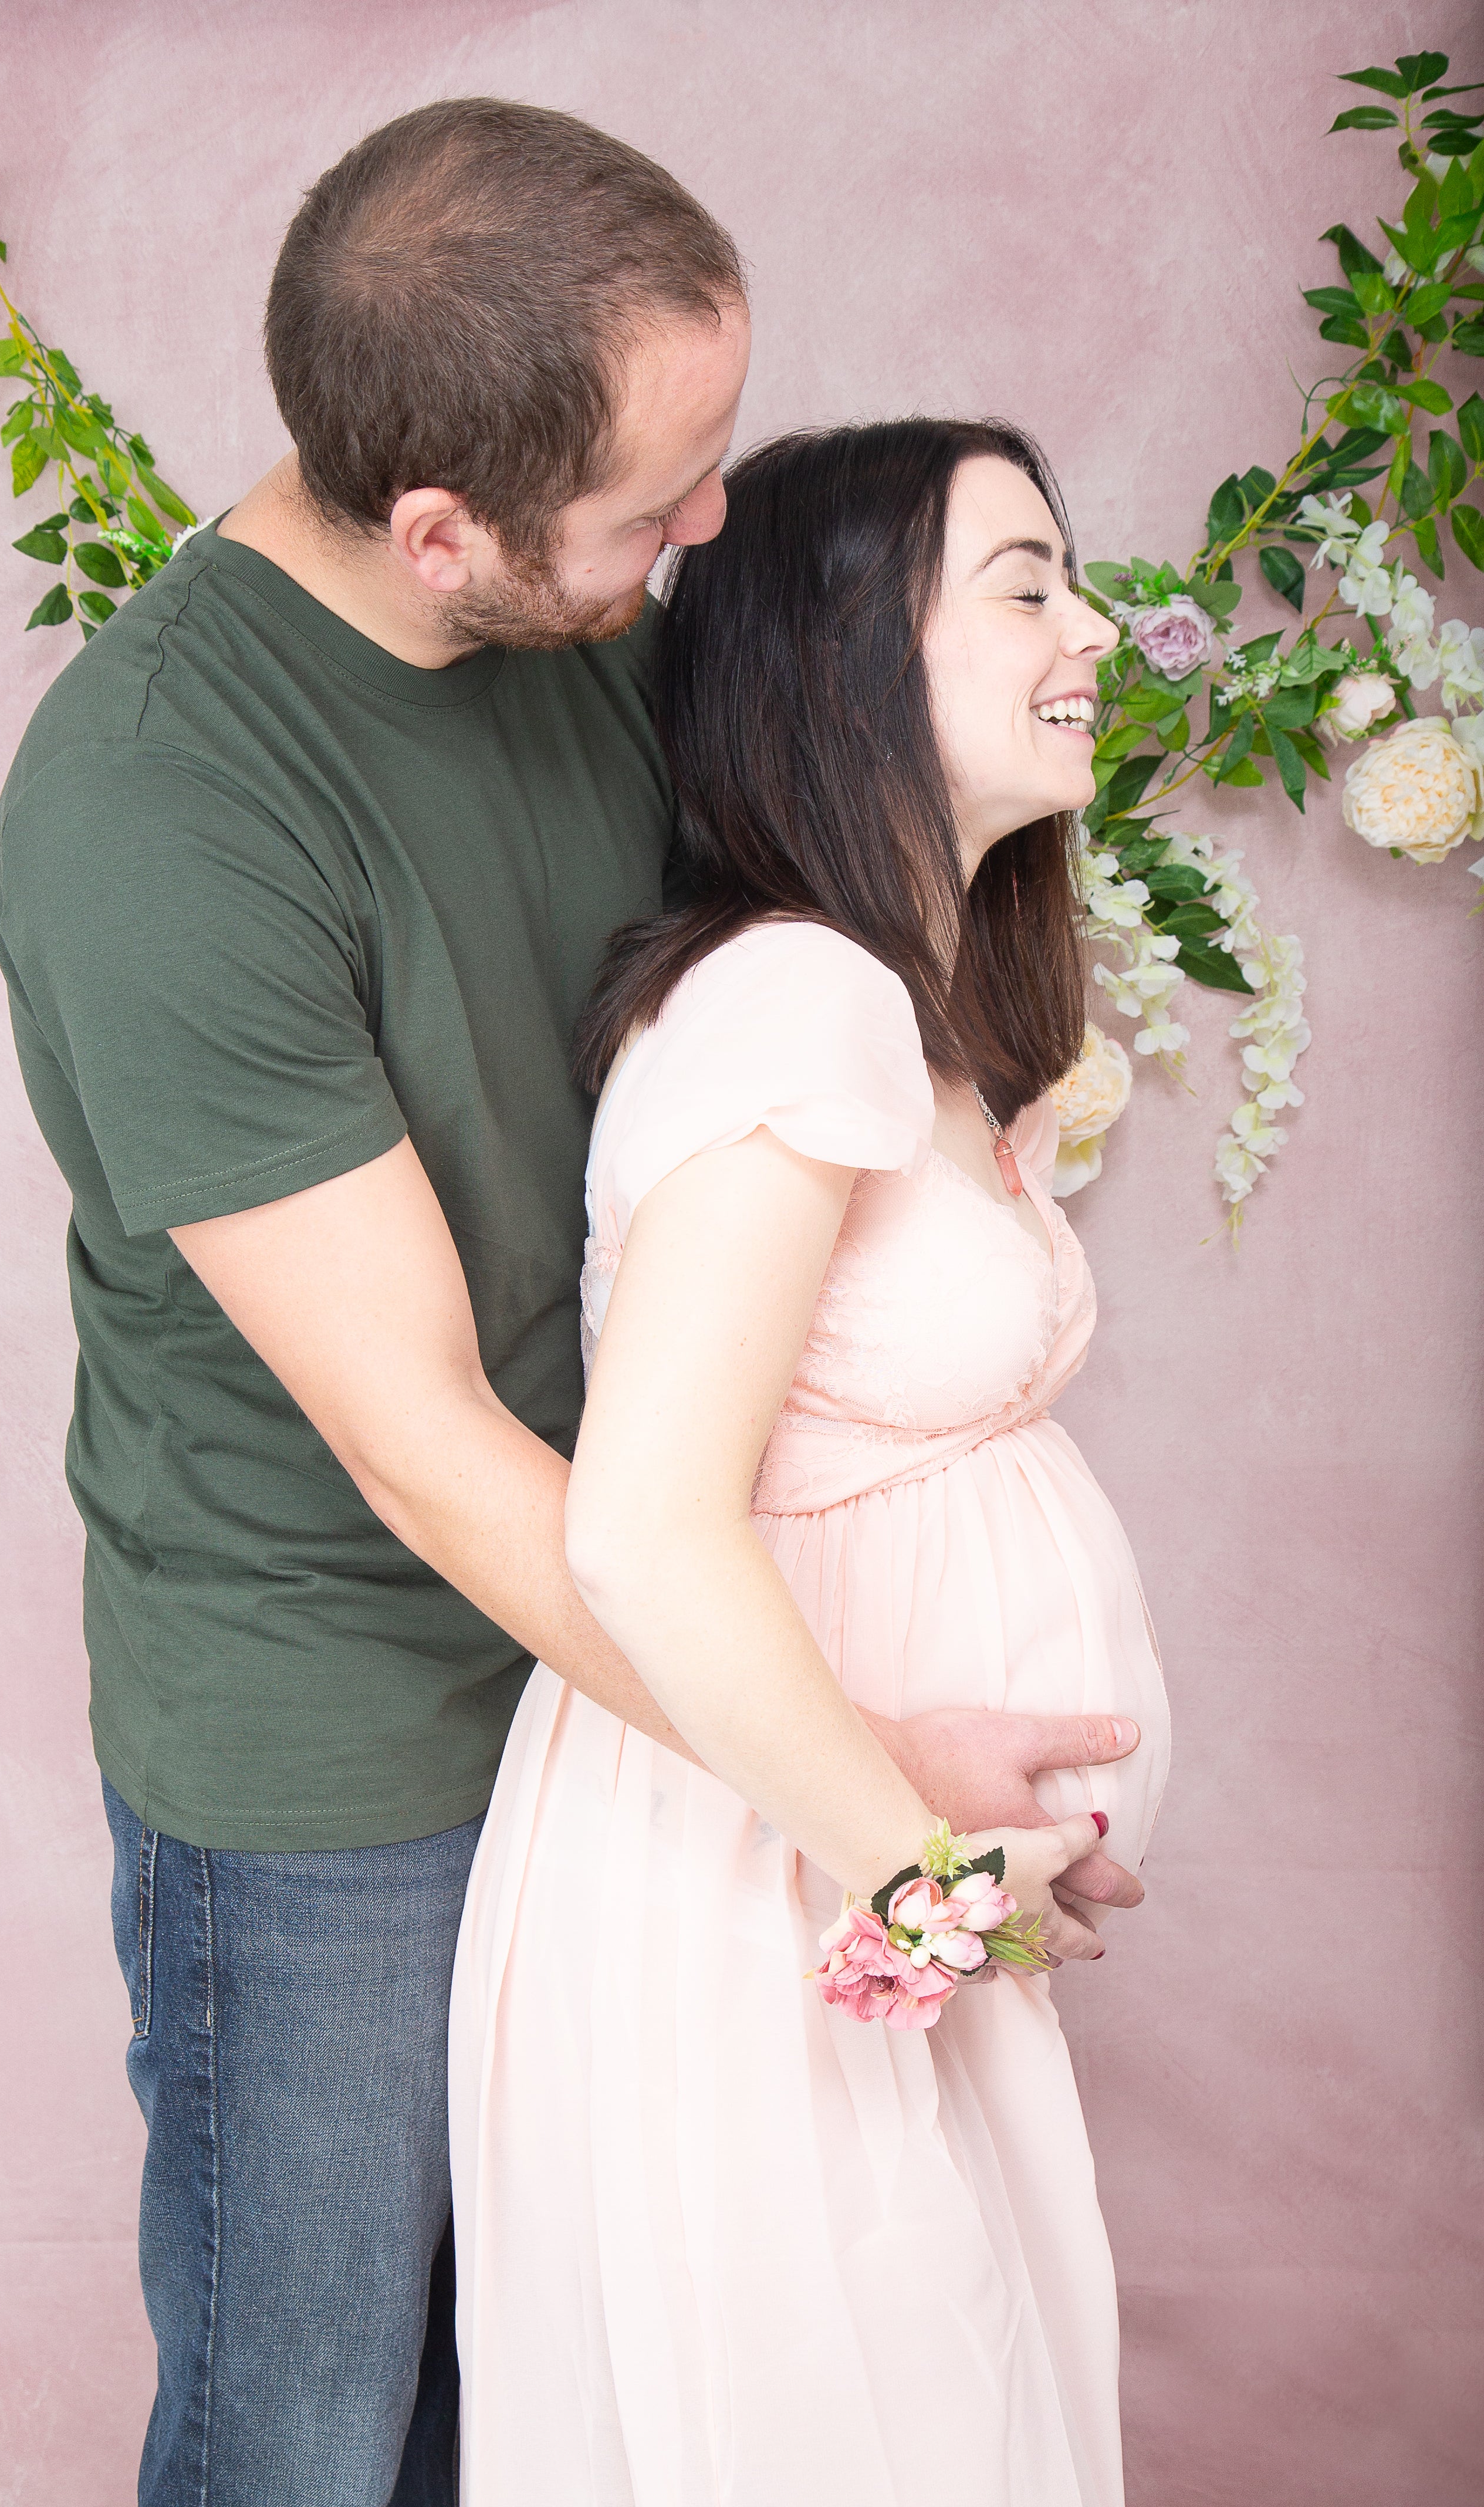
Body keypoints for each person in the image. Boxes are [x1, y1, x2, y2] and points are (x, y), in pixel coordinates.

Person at [0, 94, 1144, 2507]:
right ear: (444, 530)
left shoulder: (592, 620)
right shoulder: (161, 812)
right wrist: (864, 1791)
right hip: (343, 1734)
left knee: (560, 2413)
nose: (707, 531)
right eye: (660, 497)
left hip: (643, 1687)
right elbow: (427, 1443)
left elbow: (813, 850)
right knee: (323, 2431)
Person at [450, 418, 1171, 2505]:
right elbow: (648, 1529)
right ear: (845, 654)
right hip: (768, 1888)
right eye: (1026, 587)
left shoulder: (916, 1010)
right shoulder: (790, 1002)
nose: (1092, 632)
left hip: (873, 1894)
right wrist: (921, 1879)